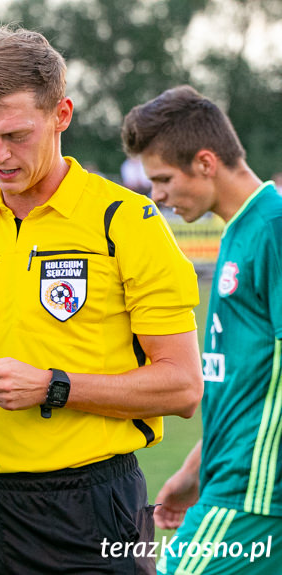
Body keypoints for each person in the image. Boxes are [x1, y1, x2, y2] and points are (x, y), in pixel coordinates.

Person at [0, 26, 204, 574]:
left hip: (95, 508)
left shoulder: (125, 221)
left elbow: (184, 387)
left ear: (62, 115)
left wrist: (52, 386)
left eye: (16, 135)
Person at [122, 85, 282, 575]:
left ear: (207, 162)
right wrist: (195, 471)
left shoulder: (273, 229)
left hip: (251, 496)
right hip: (232, 483)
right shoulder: (240, 232)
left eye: (165, 178)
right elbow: (248, 385)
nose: (158, 195)